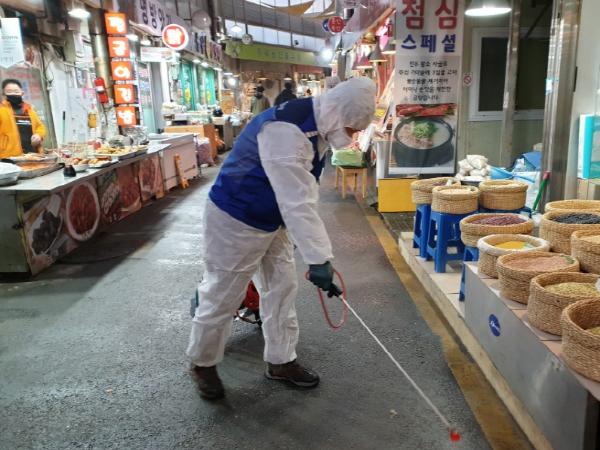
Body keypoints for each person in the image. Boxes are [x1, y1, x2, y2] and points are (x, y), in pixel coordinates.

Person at [186, 77, 376, 399]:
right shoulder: (286, 130)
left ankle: (281, 360)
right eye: (353, 129)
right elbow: (296, 201)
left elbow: (301, 195)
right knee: (223, 294)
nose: (354, 136)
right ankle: (202, 363)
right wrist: (319, 259)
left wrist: (314, 251)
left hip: (273, 218)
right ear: (339, 113)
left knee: (281, 287)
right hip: (236, 216)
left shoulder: (319, 124)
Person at [0, 79, 46, 158]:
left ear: (22, 93)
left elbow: (40, 126)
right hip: (8, 157)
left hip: (32, 156)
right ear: (3, 94)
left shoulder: (29, 109)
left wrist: (39, 135)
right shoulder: (1, 110)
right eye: (9, 91)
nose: (13, 94)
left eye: (16, 91)